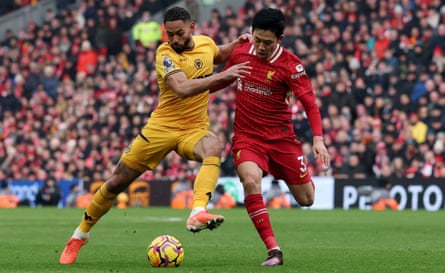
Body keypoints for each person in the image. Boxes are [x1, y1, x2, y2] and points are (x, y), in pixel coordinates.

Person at [59, 6, 251, 265]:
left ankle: (197, 211)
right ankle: (79, 236)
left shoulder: (205, 43)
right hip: (160, 129)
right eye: (169, 34)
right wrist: (225, 76)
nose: (174, 39)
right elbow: (182, 88)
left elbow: (216, 54)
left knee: (214, 145)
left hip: (193, 129)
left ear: (192, 28)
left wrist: (236, 43)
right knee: (116, 183)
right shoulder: (164, 53)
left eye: (179, 33)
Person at [211, 8, 330, 266]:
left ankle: (283, 172)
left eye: (268, 42)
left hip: (281, 141)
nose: (261, 46)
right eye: (258, 39)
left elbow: (310, 104)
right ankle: (273, 250)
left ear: (280, 39)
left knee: (307, 199)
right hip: (248, 138)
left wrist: (318, 140)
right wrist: (192, 87)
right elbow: (221, 80)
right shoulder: (240, 52)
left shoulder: (291, 66)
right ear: (251, 33)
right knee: (250, 181)